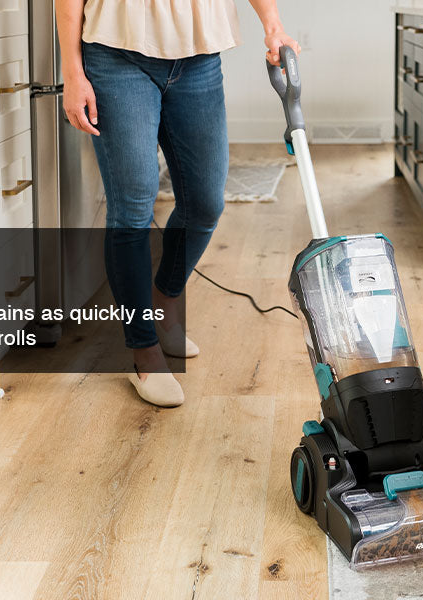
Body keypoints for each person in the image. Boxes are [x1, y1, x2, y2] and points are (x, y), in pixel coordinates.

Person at [56, 0, 299, 408]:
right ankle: (144, 350)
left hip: (198, 58)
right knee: (132, 205)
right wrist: (72, 71)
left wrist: (273, 24)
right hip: (116, 57)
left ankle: (165, 299)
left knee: (204, 203)